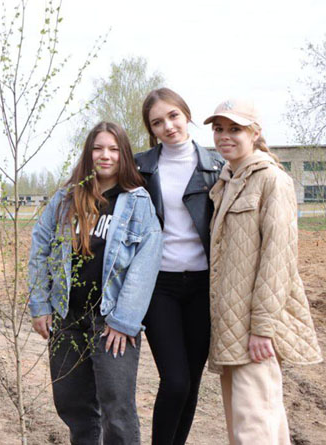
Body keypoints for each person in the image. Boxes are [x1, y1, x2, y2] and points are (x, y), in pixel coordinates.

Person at [29, 121, 162, 444]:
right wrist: (40, 305)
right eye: (98, 148)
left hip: (111, 322)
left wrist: (124, 322)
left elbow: (146, 264)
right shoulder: (65, 200)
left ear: (124, 155)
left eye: (114, 149)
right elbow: (40, 249)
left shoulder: (137, 202)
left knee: (117, 409)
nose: (106, 155)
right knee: (73, 406)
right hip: (67, 318)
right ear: (88, 153)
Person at [205, 98, 321, 444]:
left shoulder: (273, 181)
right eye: (219, 129)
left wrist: (263, 328)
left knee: (254, 427)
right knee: (257, 423)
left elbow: (278, 259)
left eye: (235, 129)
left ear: (256, 134)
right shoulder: (228, 180)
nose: (225, 136)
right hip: (231, 327)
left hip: (254, 330)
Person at [136, 87, 224, 445]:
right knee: (175, 380)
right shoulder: (141, 167)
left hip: (203, 286)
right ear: (151, 129)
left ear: (186, 114)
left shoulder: (216, 166)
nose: (168, 126)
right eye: (158, 122)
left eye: (173, 116)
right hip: (160, 286)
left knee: (192, 382)